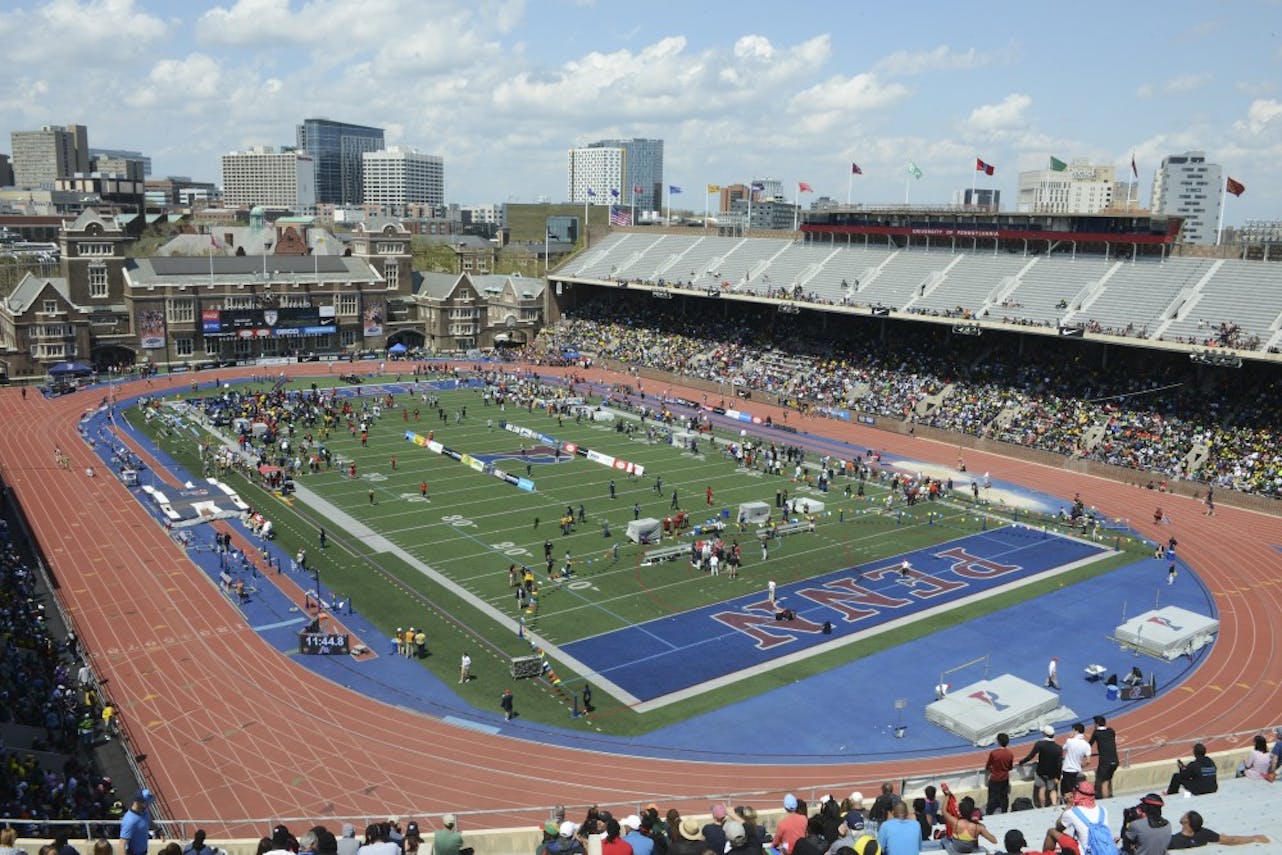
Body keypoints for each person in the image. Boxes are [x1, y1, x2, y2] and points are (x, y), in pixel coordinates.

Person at [1042, 781, 1108, 855]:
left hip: (1084, 852)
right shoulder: (1103, 810)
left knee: (1051, 831)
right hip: (1102, 849)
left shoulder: (1073, 812)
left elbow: (1058, 827)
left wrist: (1069, 805)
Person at [1167, 811, 1269, 848]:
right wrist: (1253, 838)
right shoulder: (1204, 834)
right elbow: (1231, 840)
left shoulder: (1173, 840)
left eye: (1185, 815)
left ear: (1186, 822)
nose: (1183, 815)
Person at [1020, 725, 1064, 807]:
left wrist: (1021, 762)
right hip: (1052, 773)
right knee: (1053, 789)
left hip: (1041, 771)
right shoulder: (1058, 748)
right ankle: (1054, 805)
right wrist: (1058, 776)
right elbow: (1059, 763)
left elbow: (1030, 756)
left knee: (1042, 788)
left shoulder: (1040, 744)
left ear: (1044, 734)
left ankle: (1042, 806)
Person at [1090, 715, 1120, 799]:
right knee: (1107, 779)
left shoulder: (1096, 733)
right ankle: (1108, 795)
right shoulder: (1111, 731)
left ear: (1096, 724)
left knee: (1104, 782)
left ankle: (1105, 801)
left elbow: (1090, 744)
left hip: (1105, 762)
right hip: (1115, 760)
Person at [1062, 722, 1092, 799]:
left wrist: (1070, 738)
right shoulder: (1086, 745)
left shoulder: (1069, 741)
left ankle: (1069, 806)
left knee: (1067, 792)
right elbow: (1088, 761)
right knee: (1077, 790)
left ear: (1076, 731)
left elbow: (1062, 749)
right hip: (1077, 770)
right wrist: (1082, 766)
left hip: (1067, 770)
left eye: (1072, 730)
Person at [119, 790, 154, 855]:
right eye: (147, 803)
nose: (148, 805)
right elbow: (122, 844)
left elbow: (148, 820)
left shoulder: (144, 811)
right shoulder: (130, 821)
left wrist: (158, 829)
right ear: (140, 803)